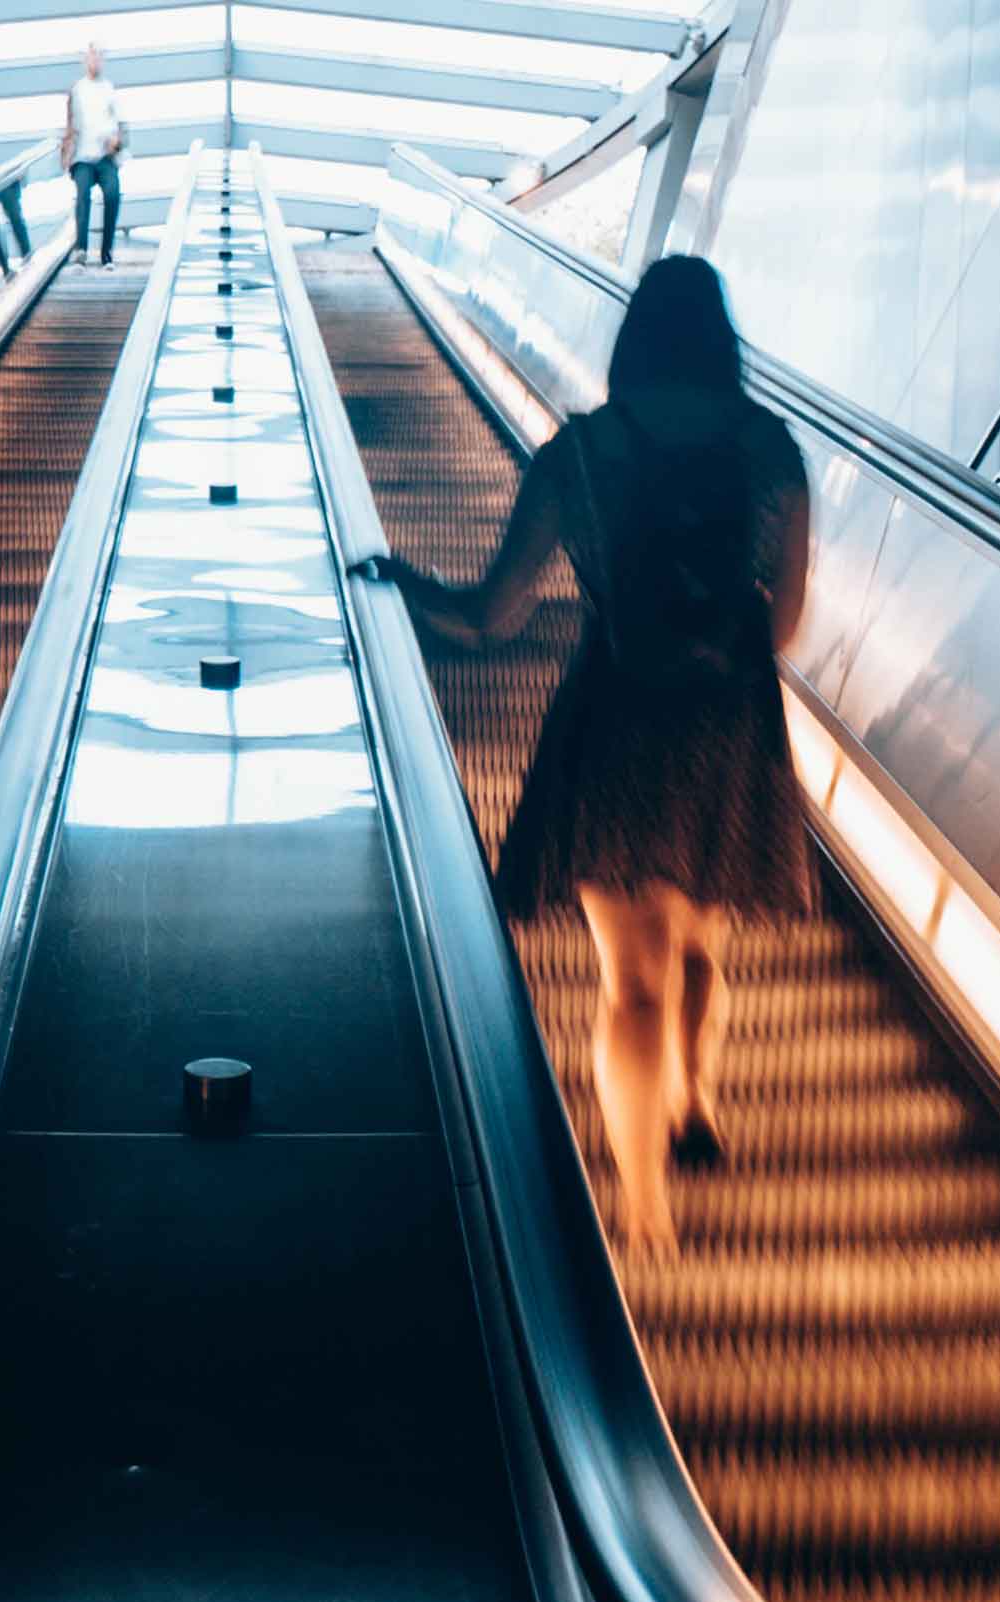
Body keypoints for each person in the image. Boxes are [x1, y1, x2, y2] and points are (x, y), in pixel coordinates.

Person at [354, 256, 812, 1257]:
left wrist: (401, 581)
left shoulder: (583, 453)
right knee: (699, 939)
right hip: (728, 728)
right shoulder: (769, 449)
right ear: (718, 340)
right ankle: (694, 1096)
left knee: (631, 980)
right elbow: (783, 622)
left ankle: (643, 1205)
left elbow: (489, 617)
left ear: (634, 339)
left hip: (617, 723)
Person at [61, 42, 128, 266]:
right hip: (82, 158)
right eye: (91, 57)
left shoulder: (109, 89)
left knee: (112, 194)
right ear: (85, 61)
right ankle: (81, 249)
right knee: (82, 197)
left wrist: (116, 142)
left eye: (98, 57)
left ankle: (106, 252)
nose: (95, 61)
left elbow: (120, 124)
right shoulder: (77, 89)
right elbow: (69, 123)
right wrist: (65, 155)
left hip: (105, 157)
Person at [0, 167, 32, 275]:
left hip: (7, 178)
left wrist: (21, 171)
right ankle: (5, 268)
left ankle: (27, 256)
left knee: (15, 219)